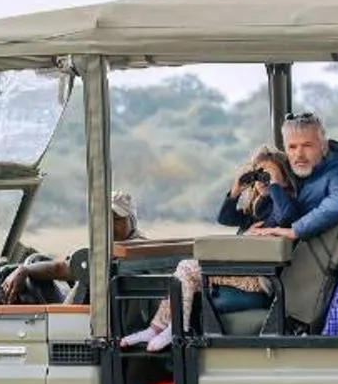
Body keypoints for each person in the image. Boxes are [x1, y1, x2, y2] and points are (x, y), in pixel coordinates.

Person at [124, 146, 297, 351]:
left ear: (285, 180)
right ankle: (157, 328)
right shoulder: (260, 206)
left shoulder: (285, 205)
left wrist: (275, 184)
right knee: (182, 277)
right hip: (244, 271)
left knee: (186, 268)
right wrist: (236, 189)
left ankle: (176, 329)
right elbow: (225, 218)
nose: (263, 181)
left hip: (259, 278)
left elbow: (286, 216)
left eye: (268, 175)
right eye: (259, 175)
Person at [0, 190, 140, 302]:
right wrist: (24, 269)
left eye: (117, 219)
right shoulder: (128, 246)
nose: (110, 225)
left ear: (132, 221)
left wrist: (24, 270)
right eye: (106, 218)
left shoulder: (128, 251)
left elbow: (62, 269)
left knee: (34, 263)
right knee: (36, 261)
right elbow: (66, 268)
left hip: (100, 320)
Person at [248, 113, 338, 245]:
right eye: (292, 147)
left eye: (307, 145)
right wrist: (257, 229)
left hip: (323, 251)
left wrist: (296, 230)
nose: (299, 154)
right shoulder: (289, 172)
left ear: (323, 147)